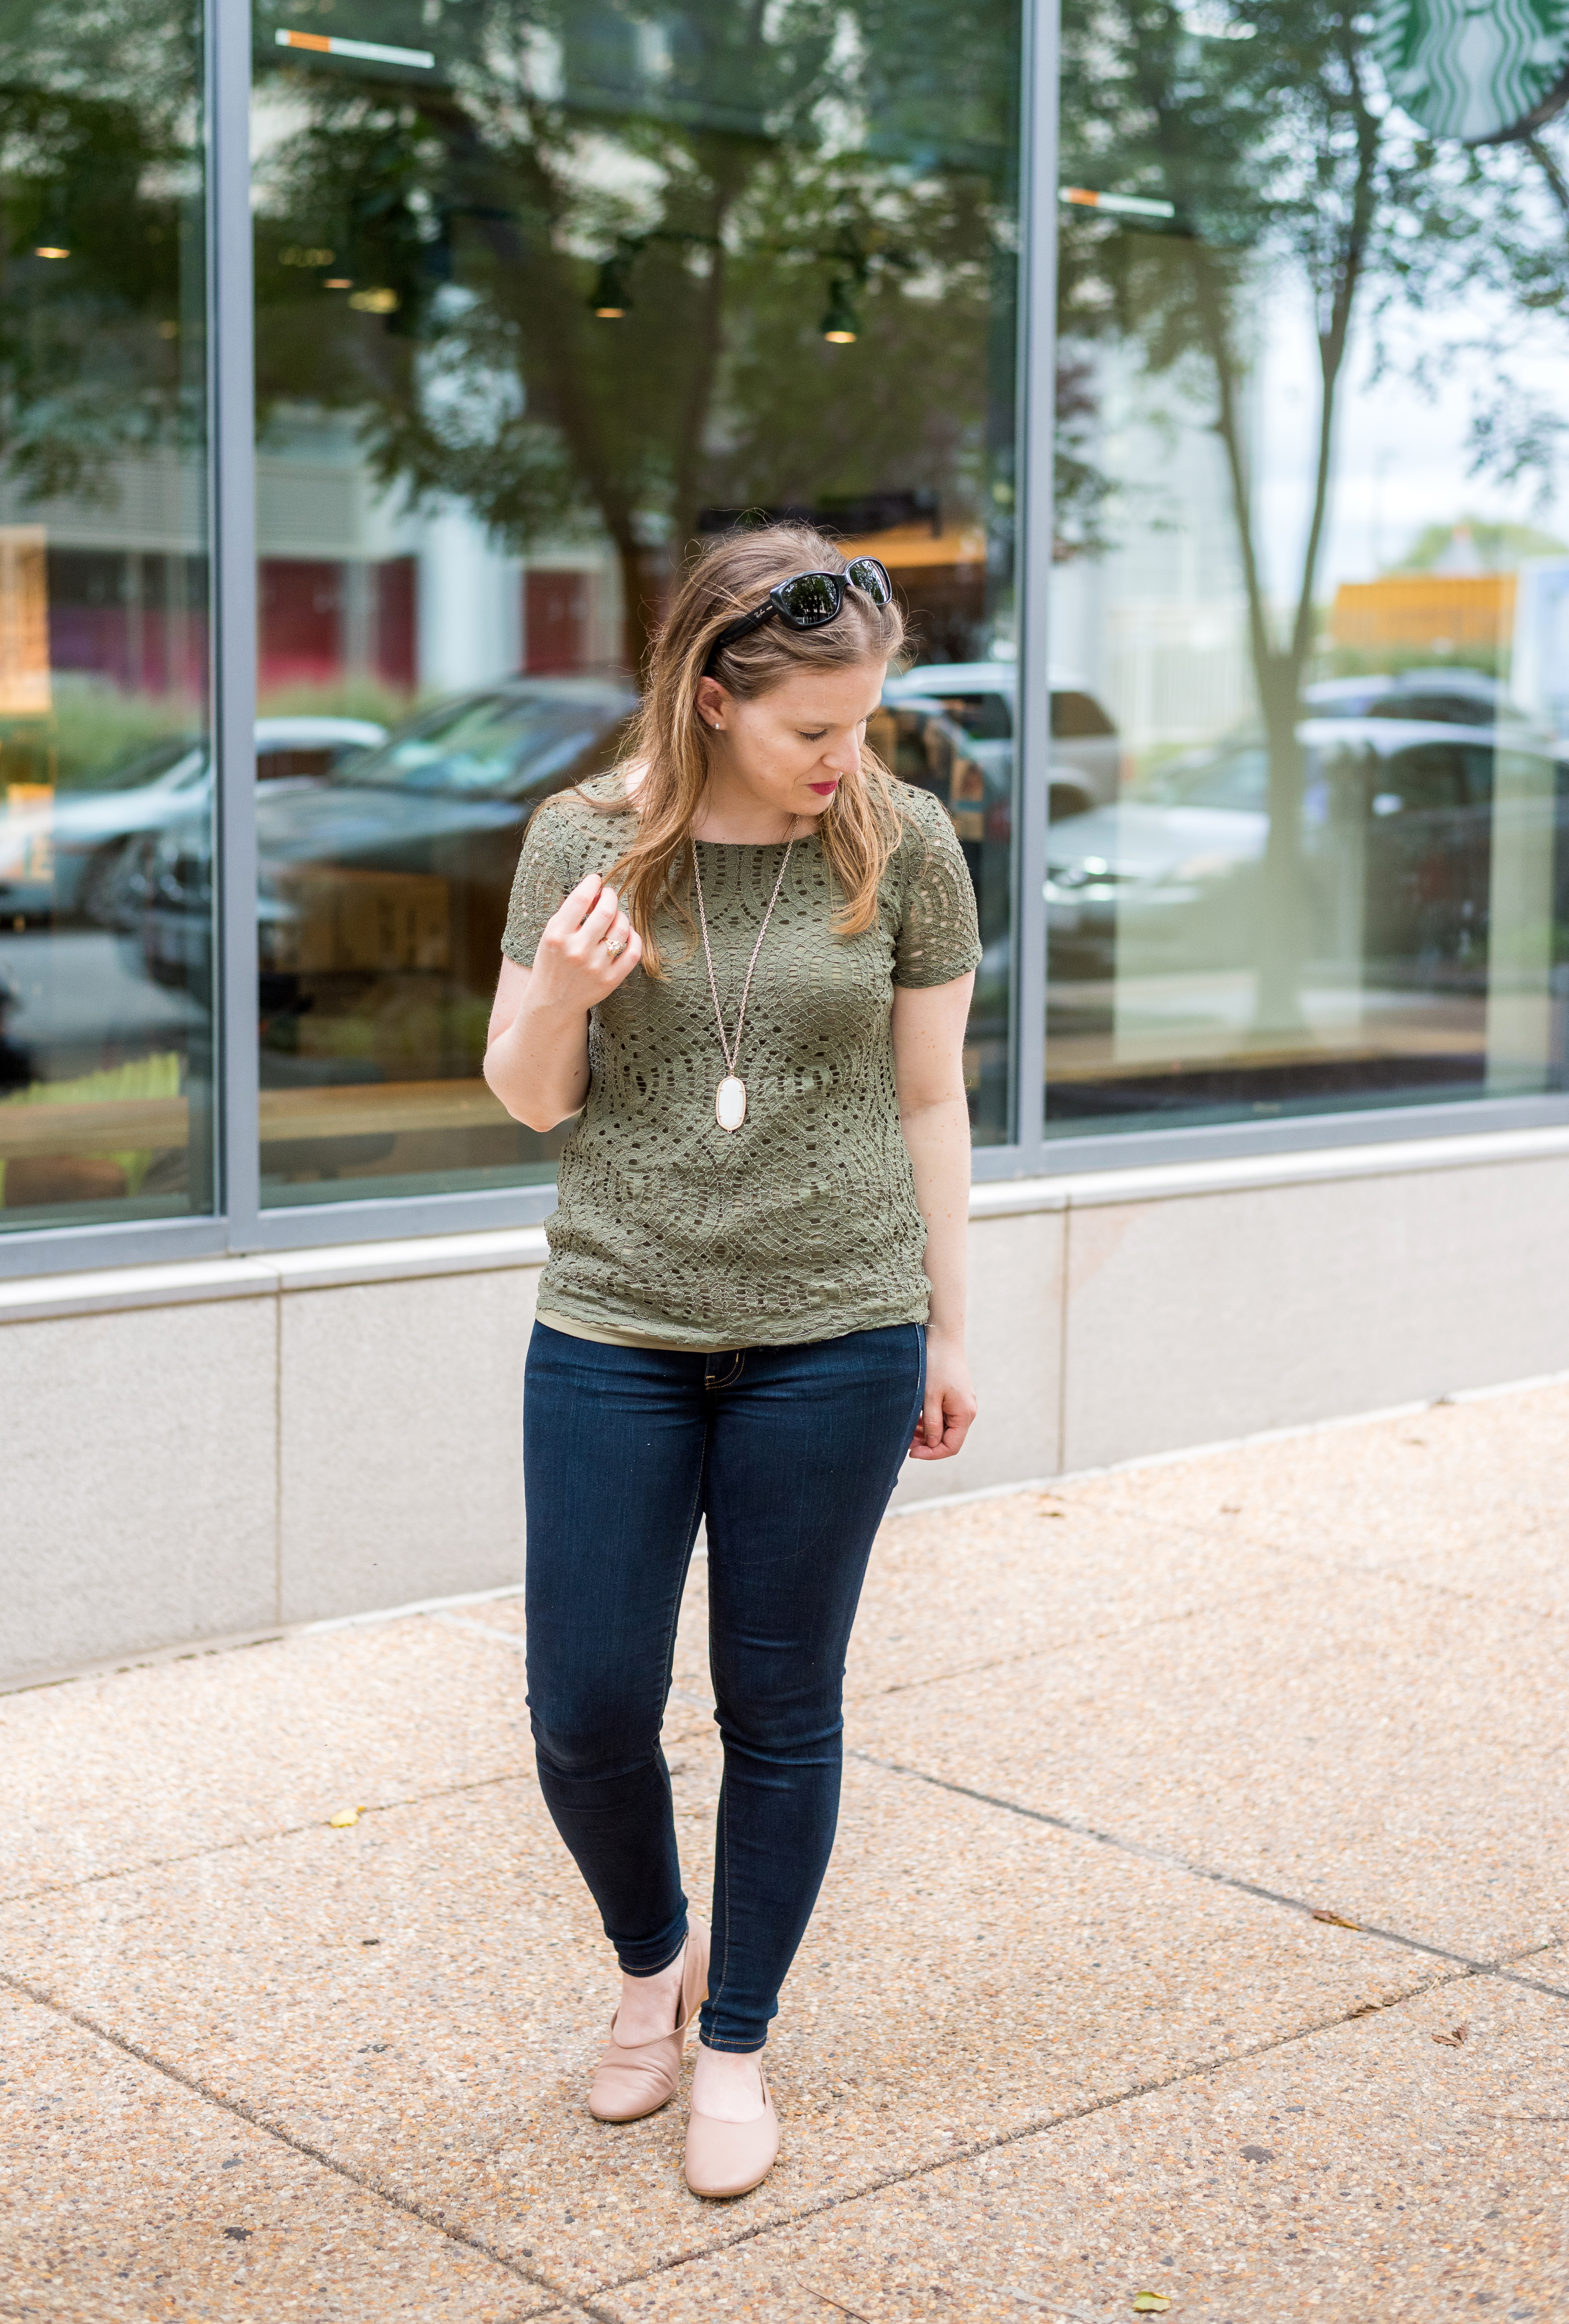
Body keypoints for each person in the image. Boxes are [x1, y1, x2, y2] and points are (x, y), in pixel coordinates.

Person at [483, 522, 981, 2200]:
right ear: (709, 696)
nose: (850, 759)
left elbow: (928, 1098)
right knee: (585, 1712)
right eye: (812, 730)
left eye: (865, 720)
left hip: (834, 1335)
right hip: (615, 1326)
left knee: (779, 1707)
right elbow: (527, 1094)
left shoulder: (899, 841)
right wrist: (558, 989)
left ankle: (739, 2040)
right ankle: (653, 1964)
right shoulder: (580, 839)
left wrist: (946, 1324)